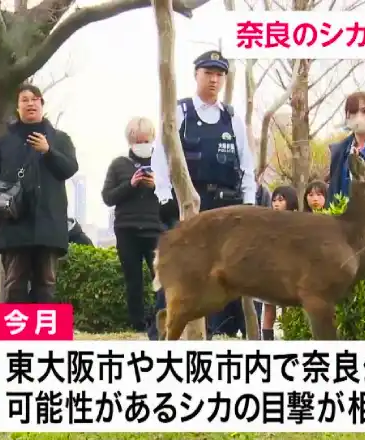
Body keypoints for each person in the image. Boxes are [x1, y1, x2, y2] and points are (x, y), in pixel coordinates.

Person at [150, 50, 256, 340]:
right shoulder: (181, 112)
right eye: (208, 73)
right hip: (189, 205)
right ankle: (163, 333)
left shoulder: (231, 119)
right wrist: (164, 196)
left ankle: (218, 332)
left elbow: (246, 164)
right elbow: (161, 156)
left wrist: (249, 203)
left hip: (225, 207)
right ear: (196, 74)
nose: (214, 80)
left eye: (219, 75)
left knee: (223, 273)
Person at [0, 83, 79, 303]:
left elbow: (69, 169)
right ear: (17, 107)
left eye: (35, 99)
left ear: (42, 104)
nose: (30, 104)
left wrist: (48, 151)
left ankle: (42, 327)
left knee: (46, 284)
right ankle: (16, 326)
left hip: (49, 223)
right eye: (24, 100)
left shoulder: (60, 139)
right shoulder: (3, 141)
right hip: (13, 224)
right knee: (14, 283)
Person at [102, 116, 163, 333]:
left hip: (155, 229)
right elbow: (108, 197)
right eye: (138, 141)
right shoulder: (119, 165)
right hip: (127, 230)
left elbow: (173, 198)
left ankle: (161, 321)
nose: (142, 145)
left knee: (161, 278)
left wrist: (156, 185)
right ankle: (137, 324)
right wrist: (130, 184)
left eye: (146, 141)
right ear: (130, 141)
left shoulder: (161, 164)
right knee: (133, 280)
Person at [261, 185, 299, 340]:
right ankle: (267, 341)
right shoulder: (267, 222)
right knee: (269, 308)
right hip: (270, 270)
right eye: (274, 200)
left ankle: (289, 337)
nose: (276, 204)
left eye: (281, 200)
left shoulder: (297, 222)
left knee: (287, 308)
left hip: (290, 270)